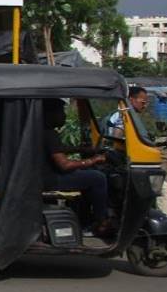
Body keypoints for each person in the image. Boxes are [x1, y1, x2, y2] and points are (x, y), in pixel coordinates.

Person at [42, 99, 113, 236]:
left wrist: (80, 149)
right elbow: (65, 165)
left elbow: (57, 150)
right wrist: (93, 160)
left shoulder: (43, 131)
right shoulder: (49, 134)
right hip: (49, 179)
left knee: (85, 174)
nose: (64, 116)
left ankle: (84, 220)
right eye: (61, 112)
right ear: (49, 114)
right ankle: (102, 221)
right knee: (98, 178)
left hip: (43, 176)